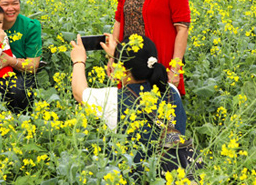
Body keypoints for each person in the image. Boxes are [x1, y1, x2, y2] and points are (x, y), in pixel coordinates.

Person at [71, 33, 187, 177]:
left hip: (135, 178)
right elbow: (136, 65)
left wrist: (79, 60)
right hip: (174, 175)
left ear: (123, 70)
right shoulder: (171, 90)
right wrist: (119, 56)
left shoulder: (114, 99)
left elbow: (78, 92)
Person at [0, 0, 42, 111]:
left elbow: (34, 65)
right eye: (5, 4)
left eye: (15, 3)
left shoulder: (31, 26)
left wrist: (10, 61)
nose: (11, 8)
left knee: (18, 90)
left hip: (20, 73)